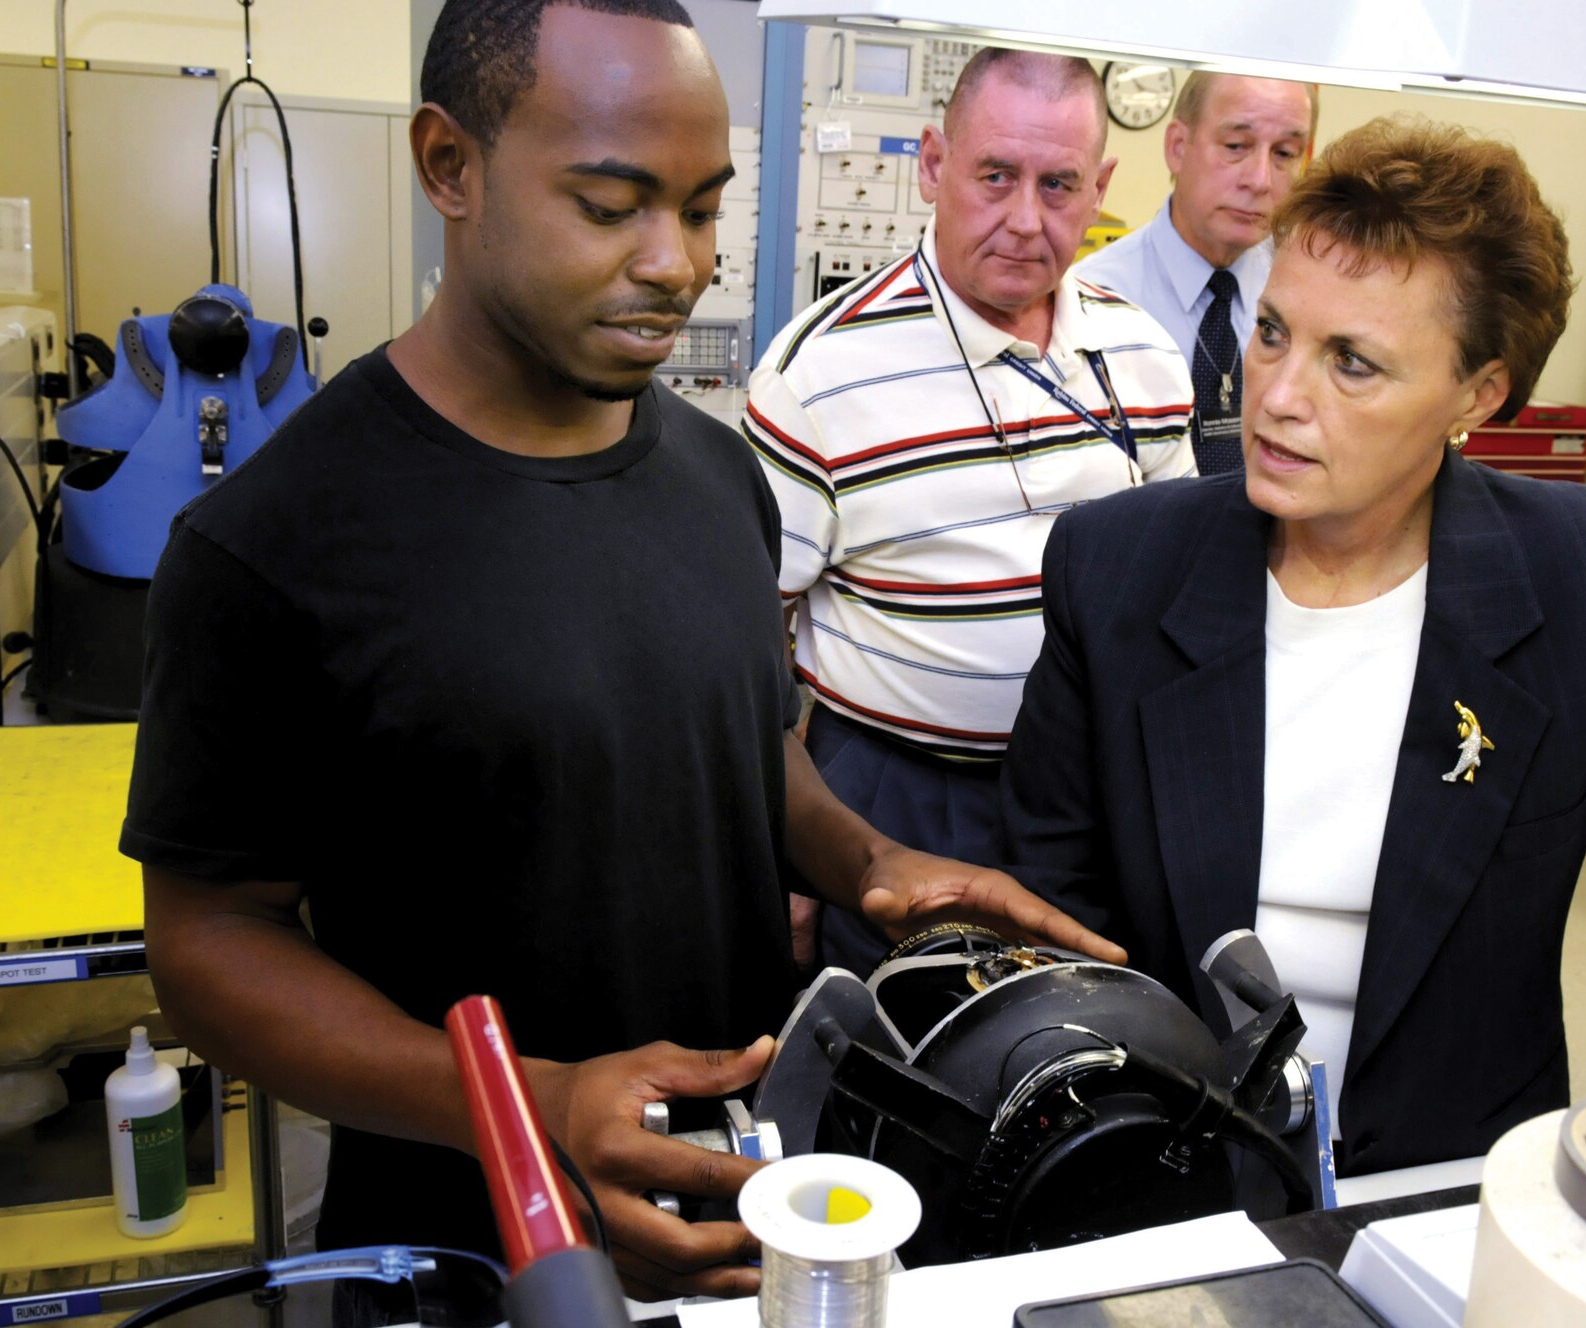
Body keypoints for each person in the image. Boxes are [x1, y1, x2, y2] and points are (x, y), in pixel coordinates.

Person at [119, 0, 1124, 1309]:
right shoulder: (276, 540)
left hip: (747, 1206)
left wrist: (869, 861)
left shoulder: (717, 476)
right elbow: (208, 947)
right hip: (476, 1237)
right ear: (449, 165)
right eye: (612, 206)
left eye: (702, 209)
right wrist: (533, 1107)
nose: (676, 262)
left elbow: (735, 746)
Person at [1002, 116, 1586, 1176]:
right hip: (1157, 1161)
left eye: (1353, 364)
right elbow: (1056, 906)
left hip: (1460, 1173)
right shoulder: (1117, 569)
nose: (1277, 396)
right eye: (1274, 330)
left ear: (1477, 394)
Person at [747, 49, 1195, 977]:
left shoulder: (1146, 361)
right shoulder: (816, 376)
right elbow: (753, 642)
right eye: (995, 176)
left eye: (1059, 185)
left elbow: (1175, 593)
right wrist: (793, 851)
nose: (1026, 220)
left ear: (1102, 185)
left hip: (1086, 798)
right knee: (897, 1071)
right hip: (890, 800)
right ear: (933, 164)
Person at [1075, 73, 1315, 476]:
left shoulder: (1308, 296)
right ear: (1177, 147)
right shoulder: (1091, 299)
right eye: (1236, 146)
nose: (1260, 180)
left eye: (1285, 153)